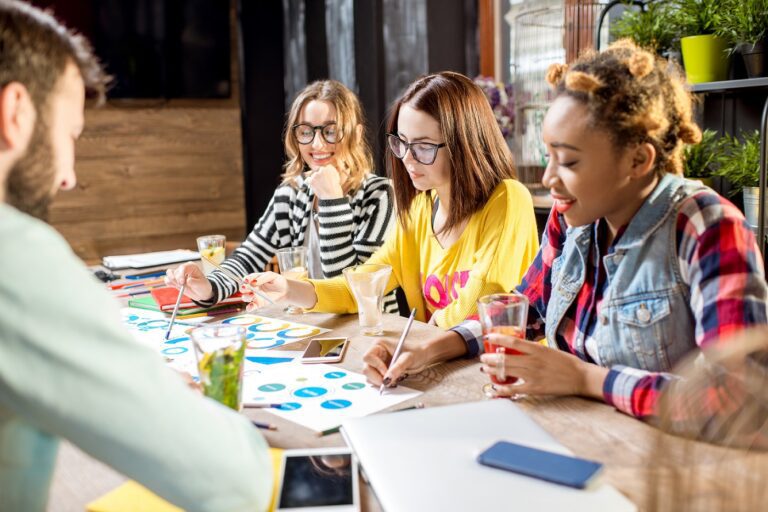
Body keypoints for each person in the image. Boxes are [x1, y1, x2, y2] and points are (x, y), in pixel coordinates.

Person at [362, 40, 768, 409]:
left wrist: (584, 378)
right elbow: (525, 308)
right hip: (574, 436)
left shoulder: (706, 227)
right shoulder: (571, 217)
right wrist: (428, 349)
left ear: (637, 161)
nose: (549, 179)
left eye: (569, 161)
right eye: (548, 156)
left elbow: (739, 397)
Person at [0, 2, 271, 510]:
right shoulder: (14, 253)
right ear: (14, 113)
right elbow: (234, 480)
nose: (68, 175)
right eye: (70, 136)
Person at [238, 71, 539, 331]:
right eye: (401, 143)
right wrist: (290, 289)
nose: (407, 158)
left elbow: (483, 296)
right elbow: (360, 284)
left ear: (465, 144)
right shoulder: (420, 209)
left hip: (505, 370)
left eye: (422, 146)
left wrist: (423, 343)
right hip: (442, 359)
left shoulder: (509, 198)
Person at [166, 80, 398, 313]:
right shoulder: (291, 193)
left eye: (331, 131)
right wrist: (209, 287)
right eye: (306, 131)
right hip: (308, 327)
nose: (317, 144)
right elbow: (249, 257)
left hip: (367, 333)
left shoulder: (381, 195)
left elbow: (353, 293)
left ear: (355, 135)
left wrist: (332, 202)